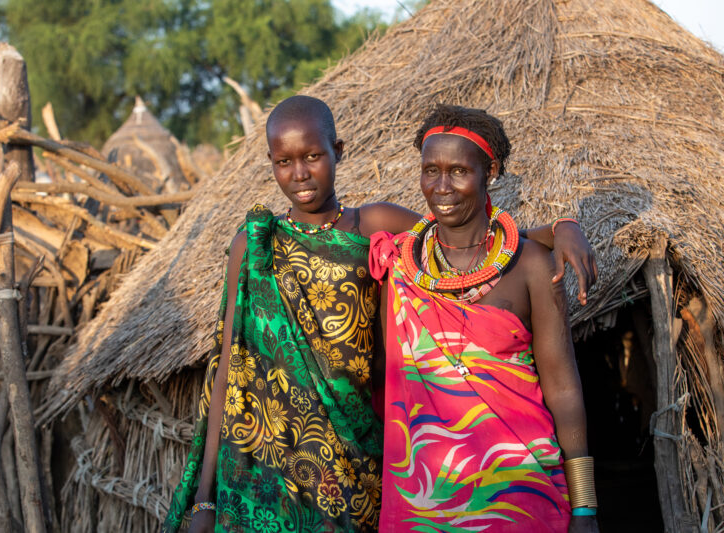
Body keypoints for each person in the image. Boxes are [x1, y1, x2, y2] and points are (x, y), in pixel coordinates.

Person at [162, 96, 597, 533]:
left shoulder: (375, 225)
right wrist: (204, 500)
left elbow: (472, 240)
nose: (300, 174)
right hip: (274, 471)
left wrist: (563, 228)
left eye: (313, 156)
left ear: (339, 151)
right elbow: (227, 374)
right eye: (284, 161)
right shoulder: (254, 245)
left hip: (362, 467)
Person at [369, 104, 599, 532]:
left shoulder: (531, 265)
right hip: (423, 497)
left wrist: (585, 506)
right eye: (430, 170)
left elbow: (563, 387)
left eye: (458, 171)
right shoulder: (401, 263)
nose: (442, 186)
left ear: (488, 172)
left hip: (520, 493)